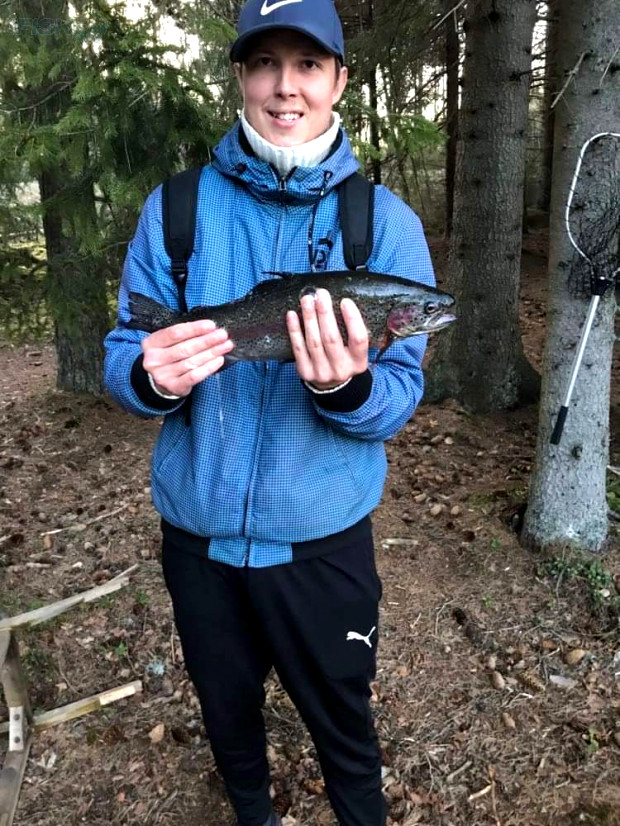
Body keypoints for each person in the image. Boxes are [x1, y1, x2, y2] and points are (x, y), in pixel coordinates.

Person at [103, 1, 436, 824]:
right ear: (242, 77)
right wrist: (151, 378)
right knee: (226, 712)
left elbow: (399, 395)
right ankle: (251, 811)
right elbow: (124, 352)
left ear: (339, 81)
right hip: (199, 543)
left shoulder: (385, 224)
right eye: (265, 63)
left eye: (308, 64)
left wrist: (346, 390)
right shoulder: (176, 209)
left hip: (324, 545)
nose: (286, 87)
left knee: (344, 723)